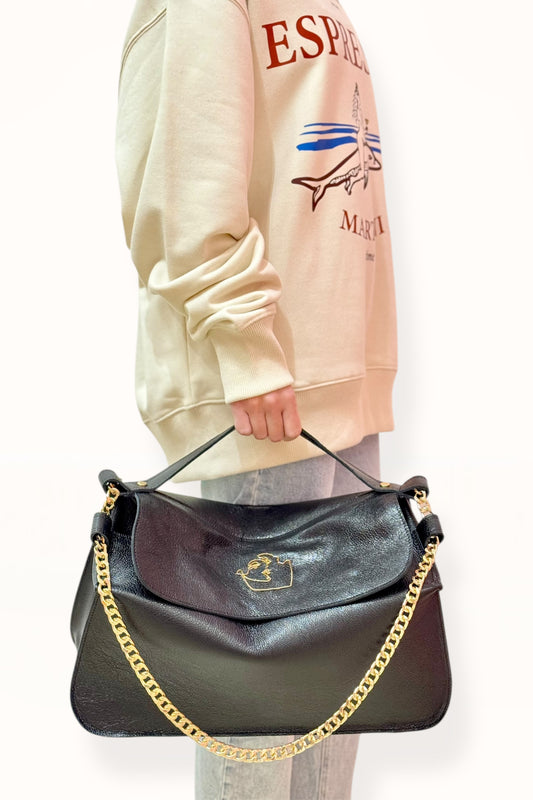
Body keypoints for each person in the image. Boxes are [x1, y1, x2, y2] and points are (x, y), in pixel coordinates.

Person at [115, 1, 398, 797]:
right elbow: (182, 173)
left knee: (334, 687)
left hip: (337, 381)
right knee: (259, 708)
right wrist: (244, 341)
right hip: (265, 384)